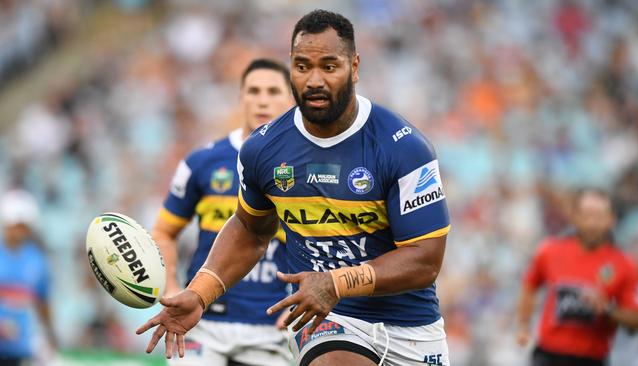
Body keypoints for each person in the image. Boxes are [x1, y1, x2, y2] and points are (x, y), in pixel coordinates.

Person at [137, 10, 451, 366]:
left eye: (329, 67)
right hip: (328, 320)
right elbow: (250, 230)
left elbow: (425, 259)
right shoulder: (263, 149)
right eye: (302, 67)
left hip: (413, 330)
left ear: (355, 67)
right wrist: (200, 293)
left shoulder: (403, 147)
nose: (314, 80)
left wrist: (336, 281)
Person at [152, 58, 295, 366]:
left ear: (291, 99)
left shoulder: (304, 166)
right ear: (241, 97)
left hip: (271, 329)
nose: (262, 100)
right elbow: (164, 231)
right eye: (253, 91)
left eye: (273, 91)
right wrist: (173, 286)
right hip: (202, 324)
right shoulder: (202, 162)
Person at [516, 188, 638, 366]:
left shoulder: (625, 265)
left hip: (591, 359)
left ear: (611, 220)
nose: (592, 223)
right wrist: (524, 324)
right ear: (574, 216)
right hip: (548, 356)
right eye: (587, 215)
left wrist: (608, 310)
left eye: (599, 216)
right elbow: (529, 286)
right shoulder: (550, 251)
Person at [0, 189, 58, 366]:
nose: (20, 230)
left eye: (24, 225)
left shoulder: (37, 260)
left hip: (19, 347)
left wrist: (51, 336)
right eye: (16, 225)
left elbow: (43, 302)